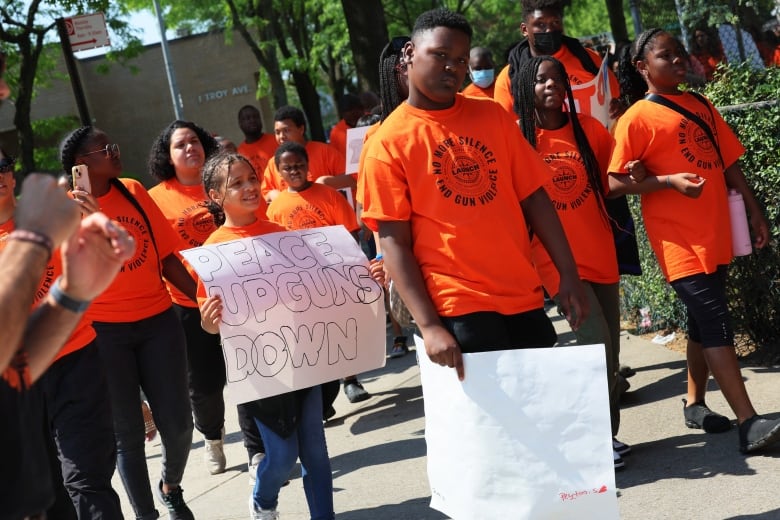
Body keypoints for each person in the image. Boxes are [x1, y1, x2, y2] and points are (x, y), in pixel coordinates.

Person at [360, 8, 587, 382]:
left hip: (522, 294)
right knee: (495, 429)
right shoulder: (387, 143)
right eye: (440, 55)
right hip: (459, 306)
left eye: (461, 60)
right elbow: (394, 242)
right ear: (409, 55)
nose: (453, 67)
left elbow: (535, 199)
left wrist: (568, 275)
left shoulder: (492, 117)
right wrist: (430, 325)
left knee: (540, 419)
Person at [608, 28, 780, 454]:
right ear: (642, 67)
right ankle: (749, 423)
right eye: (667, 56)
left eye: (680, 53)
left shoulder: (700, 103)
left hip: (717, 234)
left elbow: (728, 160)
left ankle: (694, 403)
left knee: (702, 325)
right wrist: (665, 181)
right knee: (717, 321)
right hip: (678, 243)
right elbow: (613, 183)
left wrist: (755, 211)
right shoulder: (637, 119)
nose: (679, 60)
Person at [61, 126, 197, 519]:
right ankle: (146, 515)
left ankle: (170, 484)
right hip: (104, 333)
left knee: (179, 426)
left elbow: (167, 256)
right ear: (82, 164)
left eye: (114, 144)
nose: (116, 152)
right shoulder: (67, 212)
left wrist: (199, 298)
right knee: (128, 437)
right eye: (106, 149)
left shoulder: (134, 191)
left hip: (158, 322)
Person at [198, 151, 335, 520]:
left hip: (301, 358)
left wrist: (356, 281)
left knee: (316, 452)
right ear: (215, 195)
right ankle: (263, 499)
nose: (249, 188)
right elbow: (210, 322)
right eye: (236, 183)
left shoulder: (283, 235)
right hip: (260, 371)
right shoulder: (213, 251)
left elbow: (314, 291)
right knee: (282, 456)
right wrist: (210, 321)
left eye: (251, 179)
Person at [514, 55, 632, 469]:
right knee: (593, 348)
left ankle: (609, 435)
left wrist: (635, 174)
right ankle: (596, 442)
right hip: (555, 265)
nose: (552, 85)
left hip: (601, 253)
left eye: (558, 79)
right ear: (525, 87)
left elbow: (610, 182)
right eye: (542, 80)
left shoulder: (590, 130)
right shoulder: (519, 140)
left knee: (611, 358)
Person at [0, 172, 135, 518]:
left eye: (1, 164)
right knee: (52, 498)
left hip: (75, 361)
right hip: (18, 384)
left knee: (85, 478)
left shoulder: (52, 216)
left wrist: (74, 291)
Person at [147, 120, 237, 476]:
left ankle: (260, 446)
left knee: (251, 373)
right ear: (168, 156)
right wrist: (196, 296)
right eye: (181, 144)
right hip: (187, 305)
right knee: (206, 384)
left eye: (196, 141)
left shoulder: (223, 182)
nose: (190, 148)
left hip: (240, 297)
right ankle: (213, 439)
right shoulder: (155, 198)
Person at [266, 141, 371, 405]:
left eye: (299, 166)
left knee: (341, 331)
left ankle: (350, 380)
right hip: (300, 284)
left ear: (308, 166)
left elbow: (350, 235)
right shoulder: (275, 208)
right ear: (279, 171)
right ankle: (322, 398)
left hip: (334, 276)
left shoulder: (328, 195)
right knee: (314, 338)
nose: (294, 171)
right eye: (287, 168)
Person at [493, 0, 621, 123]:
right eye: (541, 24)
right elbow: (506, 128)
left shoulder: (588, 59)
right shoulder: (509, 77)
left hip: (596, 142)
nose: (549, 30)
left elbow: (615, 100)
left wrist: (618, 107)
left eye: (555, 22)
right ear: (525, 29)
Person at [261, 105, 351, 202]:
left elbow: (351, 180)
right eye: (277, 132)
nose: (281, 136)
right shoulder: (273, 163)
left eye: (286, 130)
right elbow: (265, 193)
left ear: (301, 129)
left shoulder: (324, 151)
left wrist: (326, 183)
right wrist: (273, 194)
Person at [237, 105, 278, 178]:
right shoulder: (239, 153)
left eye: (255, 117)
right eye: (247, 118)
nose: (252, 120)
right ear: (240, 124)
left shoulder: (276, 141)